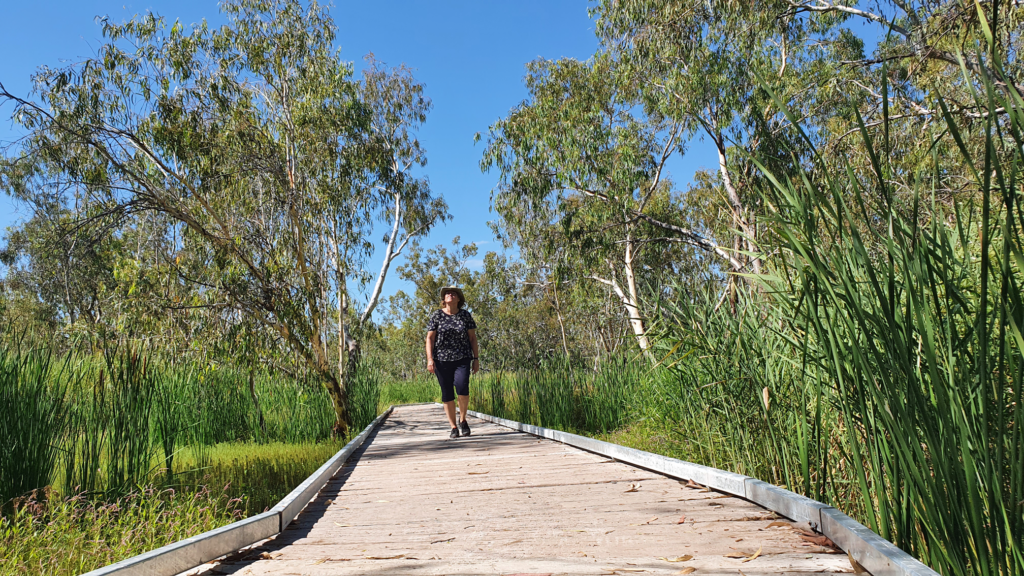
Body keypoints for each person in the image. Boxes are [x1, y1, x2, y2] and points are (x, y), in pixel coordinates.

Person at [425, 286, 480, 438]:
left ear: (459, 299)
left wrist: (476, 359)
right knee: (447, 393)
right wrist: (430, 359)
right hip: (441, 360)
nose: (450, 295)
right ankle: (453, 427)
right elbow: (430, 338)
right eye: (447, 293)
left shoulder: (465, 316)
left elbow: (473, 338)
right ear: (444, 299)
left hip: (462, 357)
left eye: (454, 293)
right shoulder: (437, 316)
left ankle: (463, 420)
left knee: (462, 387)